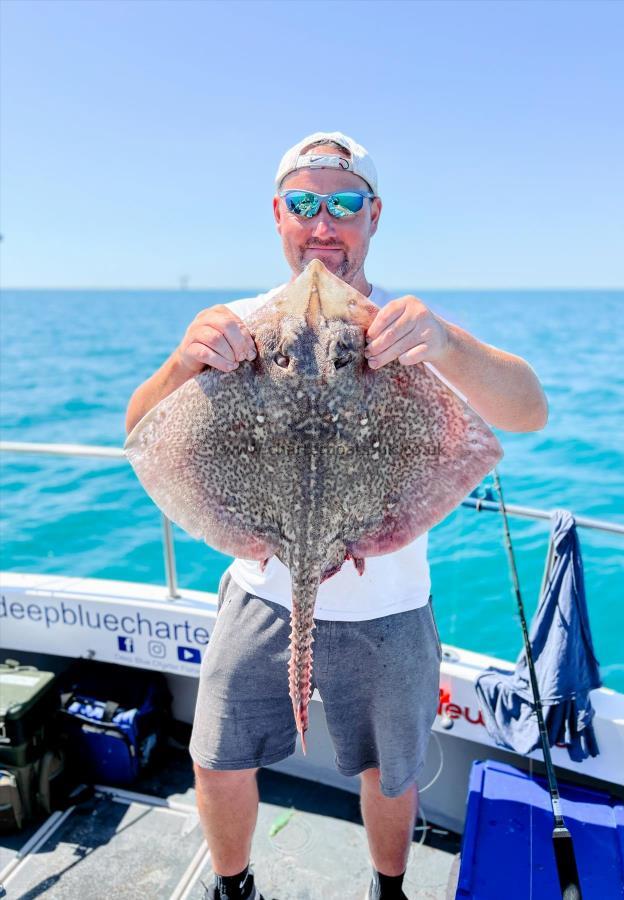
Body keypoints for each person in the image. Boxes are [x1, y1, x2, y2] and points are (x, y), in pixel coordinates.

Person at [125, 131, 548, 900]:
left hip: (389, 603)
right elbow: (141, 432)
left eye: (345, 202)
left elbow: (526, 409)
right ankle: (232, 885)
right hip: (260, 584)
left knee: (390, 769)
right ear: (279, 215)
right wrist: (182, 365)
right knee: (216, 753)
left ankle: (387, 890)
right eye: (305, 203)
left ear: (373, 216)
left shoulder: (405, 327)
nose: (325, 222)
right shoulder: (238, 323)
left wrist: (446, 345)